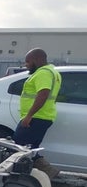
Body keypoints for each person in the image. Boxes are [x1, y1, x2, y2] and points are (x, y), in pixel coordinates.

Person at [13, 48, 61, 178]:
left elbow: (43, 94)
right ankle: (35, 174)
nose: (26, 64)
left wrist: (29, 116)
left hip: (36, 117)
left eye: (28, 61)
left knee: (18, 146)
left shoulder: (43, 73)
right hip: (43, 116)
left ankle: (45, 172)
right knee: (30, 148)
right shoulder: (53, 73)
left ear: (36, 60)